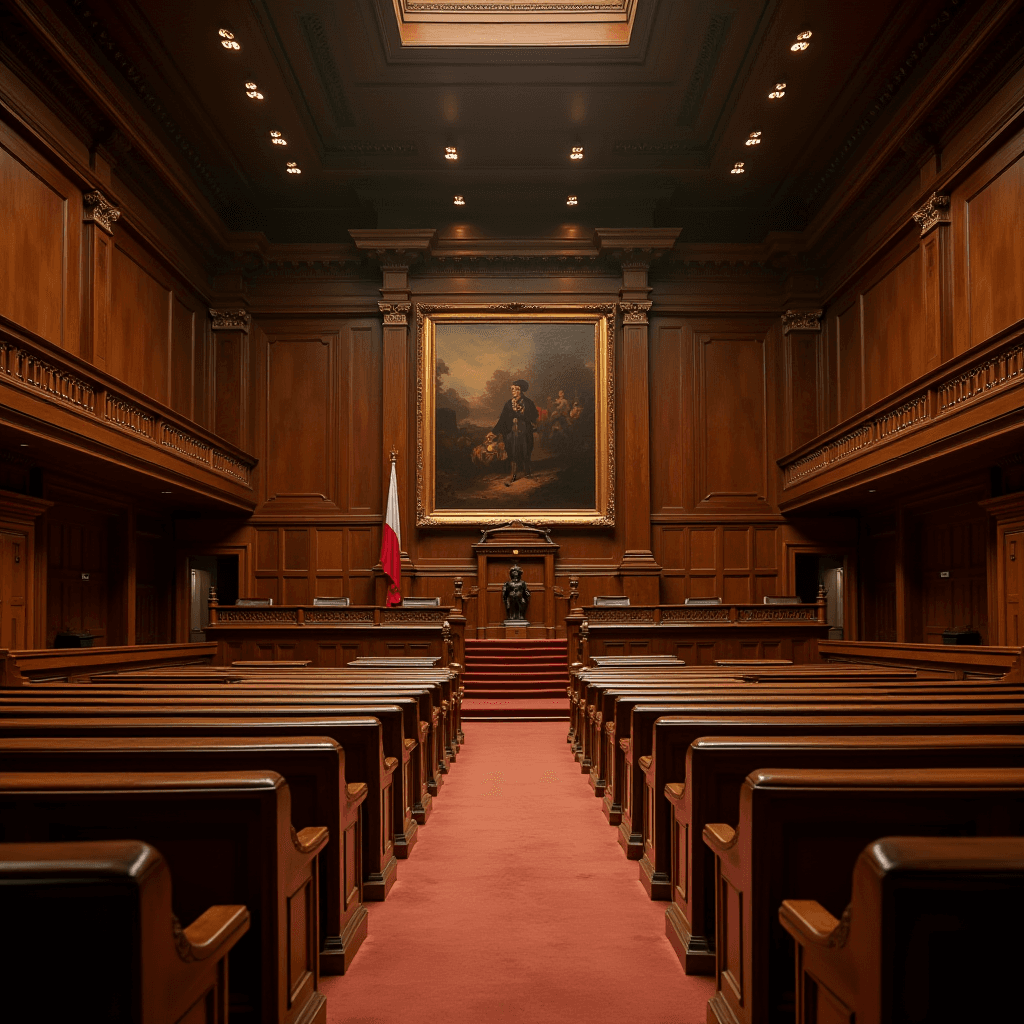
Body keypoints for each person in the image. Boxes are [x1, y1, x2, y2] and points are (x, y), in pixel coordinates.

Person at [493, 379, 538, 485]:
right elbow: (502, 419)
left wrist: (521, 415)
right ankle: (513, 473)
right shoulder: (508, 404)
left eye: (515, 389)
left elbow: (534, 417)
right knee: (512, 450)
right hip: (512, 432)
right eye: (512, 389)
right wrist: (493, 432)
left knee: (526, 449)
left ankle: (527, 471)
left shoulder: (528, 403)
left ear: (521, 390)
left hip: (525, 431)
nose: (513, 391)